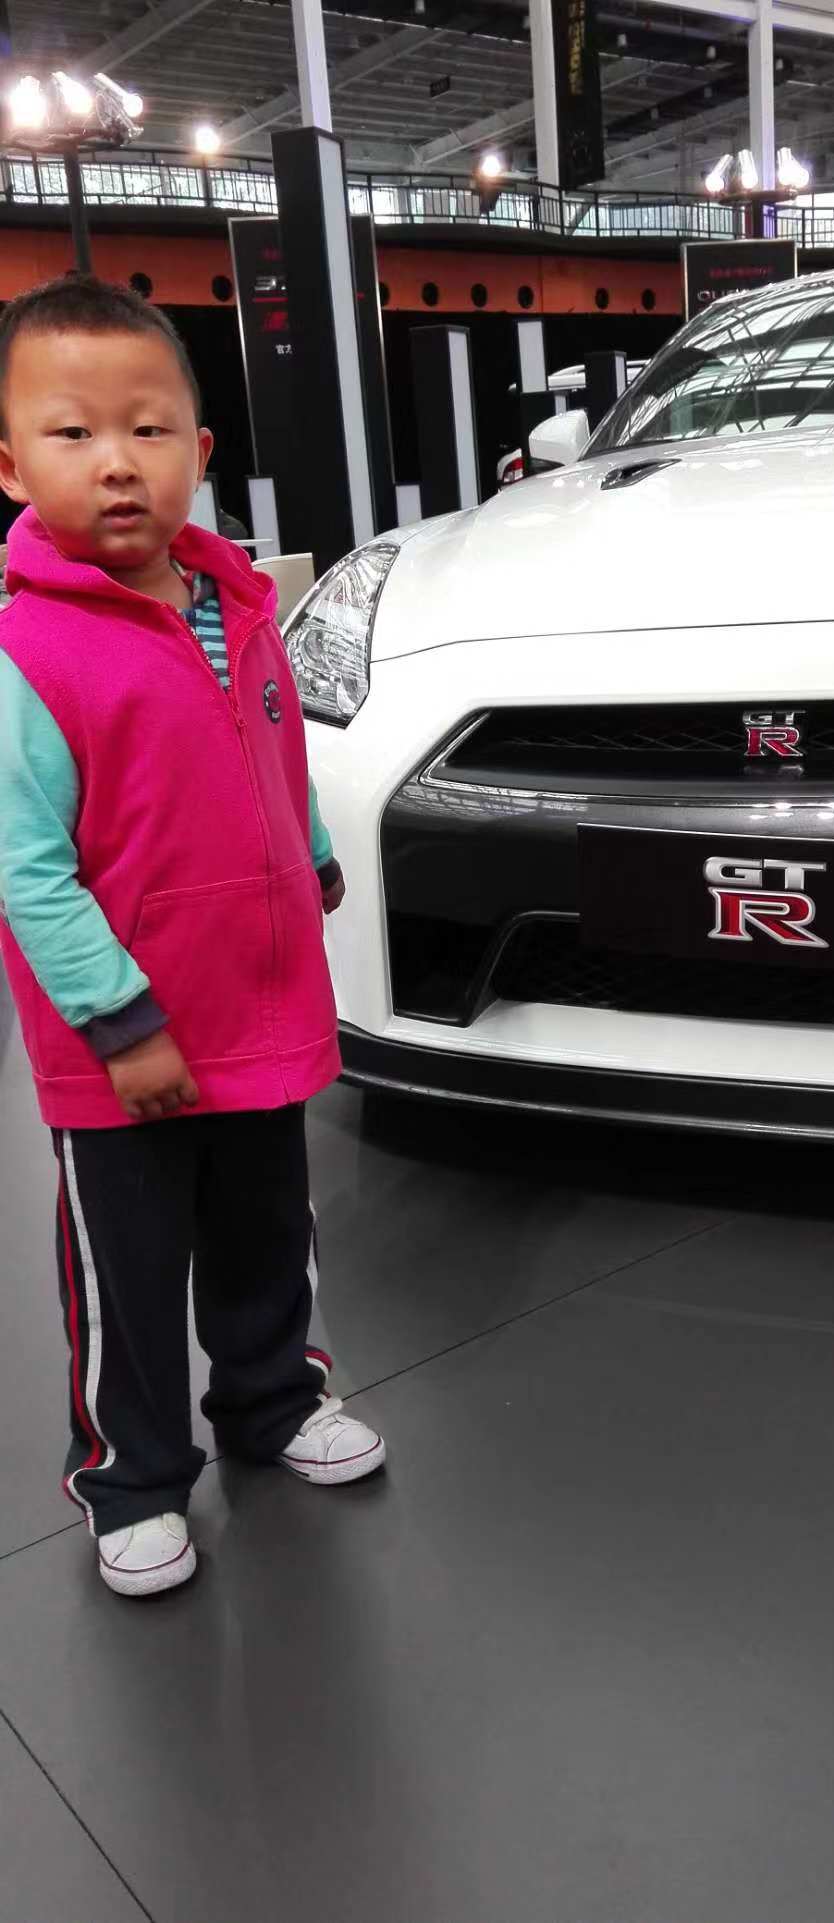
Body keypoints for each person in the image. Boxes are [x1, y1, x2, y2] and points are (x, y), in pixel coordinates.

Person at [0, 276, 386, 1599]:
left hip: (257, 1011)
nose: (116, 462)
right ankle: (133, 1477)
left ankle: (274, 1401)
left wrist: (312, 857)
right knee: (129, 1272)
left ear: (201, 451)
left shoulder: (242, 608)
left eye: (149, 429)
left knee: (270, 1231)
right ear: (12, 465)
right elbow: (29, 871)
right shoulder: (30, 651)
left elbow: (275, 758)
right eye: (72, 434)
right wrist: (122, 1025)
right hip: (124, 1053)